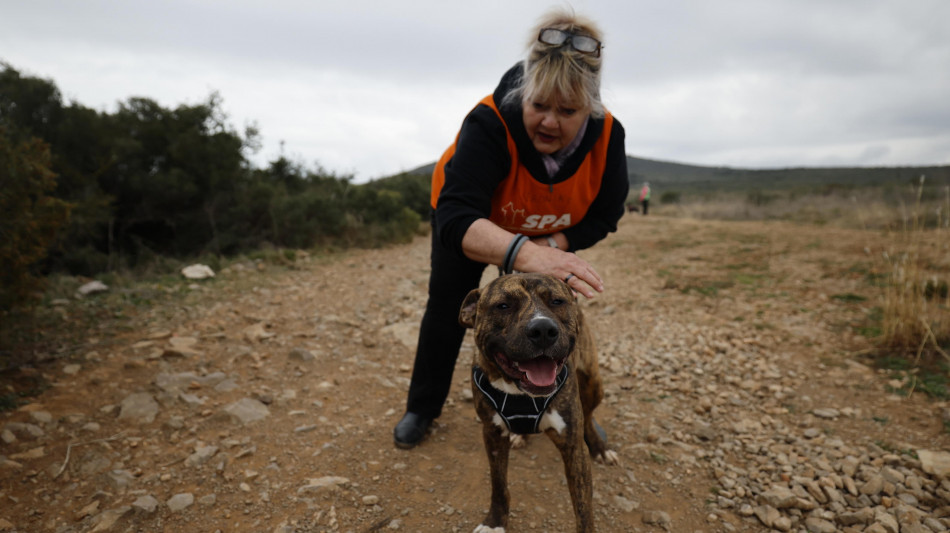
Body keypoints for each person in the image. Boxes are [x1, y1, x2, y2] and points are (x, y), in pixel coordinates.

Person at [394, 8, 629, 449]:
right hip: (473, 226)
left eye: (568, 110)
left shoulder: (608, 136)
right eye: (538, 105)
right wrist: (527, 253)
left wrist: (553, 243)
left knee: (546, 322)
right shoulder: (489, 121)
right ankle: (422, 408)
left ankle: (562, 409)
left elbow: (605, 215)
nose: (549, 121)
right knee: (447, 309)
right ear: (524, 93)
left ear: (591, 109)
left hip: (543, 232)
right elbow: (456, 218)